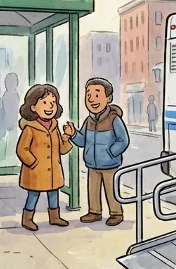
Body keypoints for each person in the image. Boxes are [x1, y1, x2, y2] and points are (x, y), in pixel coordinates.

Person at [64, 78, 129, 225]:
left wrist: (110, 153)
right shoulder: (89, 120)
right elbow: (82, 141)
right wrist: (73, 133)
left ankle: (116, 213)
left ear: (108, 98)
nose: (91, 99)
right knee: (92, 189)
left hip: (109, 165)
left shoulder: (114, 119)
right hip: (92, 164)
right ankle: (94, 211)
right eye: (88, 95)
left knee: (111, 189)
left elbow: (123, 140)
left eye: (97, 94)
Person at [15, 84, 73, 231]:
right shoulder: (30, 128)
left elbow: (61, 148)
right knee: (33, 195)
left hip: (53, 171)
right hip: (36, 171)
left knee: (53, 193)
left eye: (53, 103)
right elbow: (22, 149)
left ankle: (55, 217)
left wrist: (66, 137)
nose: (50, 106)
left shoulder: (54, 126)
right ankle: (27, 219)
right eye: (45, 102)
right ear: (33, 107)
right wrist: (33, 163)